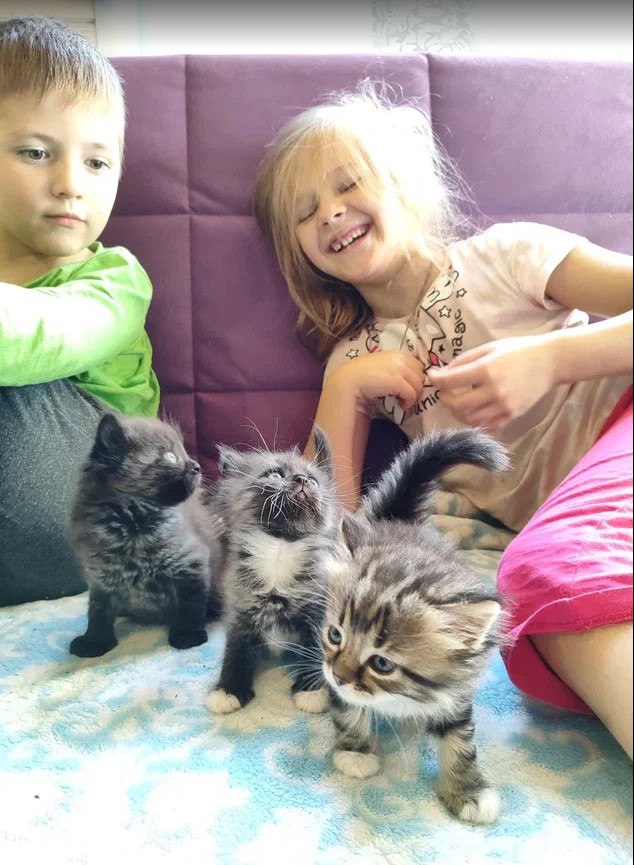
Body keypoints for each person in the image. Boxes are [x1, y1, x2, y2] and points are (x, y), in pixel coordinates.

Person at [253, 81, 633, 758]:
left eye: (348, 185)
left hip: (620, 431)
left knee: (536, 573)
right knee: (534, 594)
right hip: (577, 524)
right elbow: (327, 535)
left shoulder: (508, 257)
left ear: (406, 183)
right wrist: (343, 387)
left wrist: (550, 360)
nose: (331, 213)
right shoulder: (356, 356)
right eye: (306, 214)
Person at [0, 17, 160, 668]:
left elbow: (28, 335)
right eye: (37, 153)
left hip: (86, 528)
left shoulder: (116, 281)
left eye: (96, 162)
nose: (71, 183)